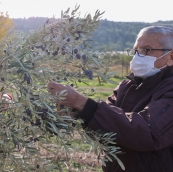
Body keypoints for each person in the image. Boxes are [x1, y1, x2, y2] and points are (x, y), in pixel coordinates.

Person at [47, 26, 173, 172]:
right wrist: (76, 112)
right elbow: (105, 125)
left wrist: (79, 101)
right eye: (136, 50)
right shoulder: (127, 86)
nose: (138, 56)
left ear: (171, 57)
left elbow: (147, 133)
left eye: (146, 50)